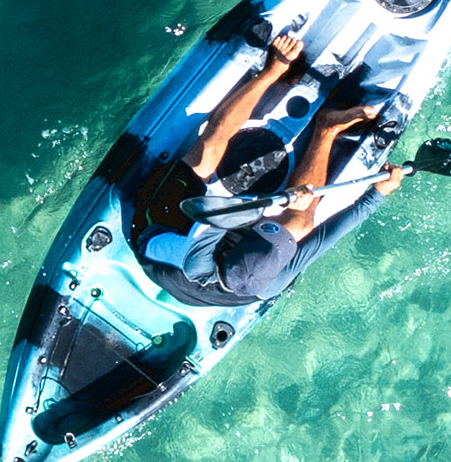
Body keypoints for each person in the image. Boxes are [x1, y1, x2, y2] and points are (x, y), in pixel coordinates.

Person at [135, 27, 416, 304]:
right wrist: (380, 191)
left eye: (269, 228)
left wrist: (258, 204)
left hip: (161, 231)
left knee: (205, 157)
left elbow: (217, 209)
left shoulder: (192, 255)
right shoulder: (274, 282)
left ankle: (271, 71)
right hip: (218, 251)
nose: (275, 227)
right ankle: (326, 128)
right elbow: (333, 232)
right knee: (302, 218)